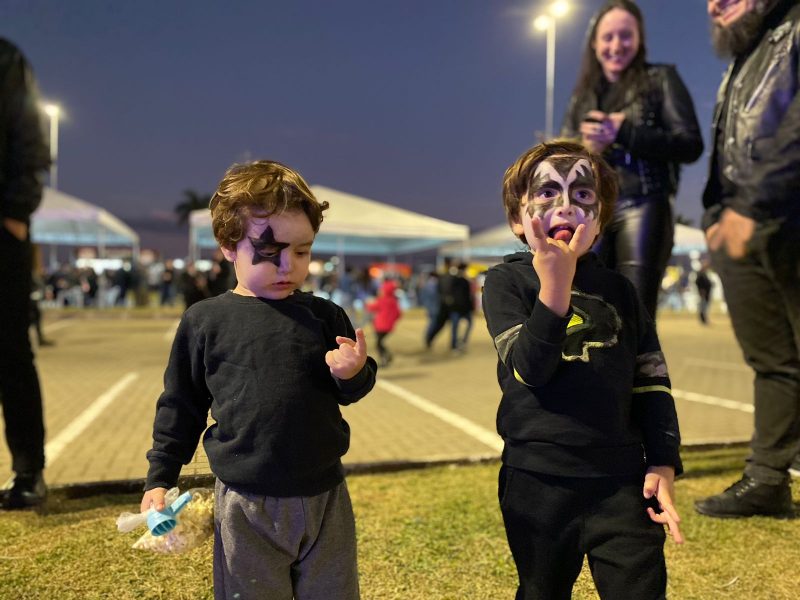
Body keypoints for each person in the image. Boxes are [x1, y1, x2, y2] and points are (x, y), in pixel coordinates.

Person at [141, 160, 377, 599]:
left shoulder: (324, 315)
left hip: (326, 494)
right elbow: (181, 404)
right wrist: (160, 478)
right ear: (229, 245)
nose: (289, 265)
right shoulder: (205, 321)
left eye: (303, 251)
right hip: (245, 501)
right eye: (270, 251)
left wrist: (353, 373)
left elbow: (354, 390)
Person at [482, 140, 683, 599]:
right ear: (518, 218)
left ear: (600, 221)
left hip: (621, 479)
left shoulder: (621, 290)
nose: (566, 206)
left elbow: (651, 380)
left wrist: (664, 461)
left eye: (584, 196)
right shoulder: (505, 282)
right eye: (547, 192)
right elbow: (530, 369)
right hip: (538, 478)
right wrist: (555, 284)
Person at [694, 0, 800, 519]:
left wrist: (753, 205)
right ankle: (767, 480)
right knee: (772, 362)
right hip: (739, 225)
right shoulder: (743, 58)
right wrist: (716, 214)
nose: (715, 2)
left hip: (784, 215)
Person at [561, 0, 704, 321]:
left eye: (626, 35)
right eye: (608, 37)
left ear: (639, 39)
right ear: (595, 43)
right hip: (592, 212)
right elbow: (560, 163)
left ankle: (641, 371)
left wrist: (624, 132)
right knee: (589, 310)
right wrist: (586, 147)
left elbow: (690, 144)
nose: (616, 45)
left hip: (644, 203)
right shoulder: (581, 97)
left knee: (635, 314)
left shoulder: (661, 78)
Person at [0, 38, 51, 510]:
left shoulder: (7, 59)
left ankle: (28, 472)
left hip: (2, 230)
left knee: (10, 352)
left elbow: (30, 141)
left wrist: (14, 214)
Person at [366, 279, 402, 367]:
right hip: (388, 326)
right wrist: (392, 320)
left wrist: (367, 303)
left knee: (378, 344)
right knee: (380, 342)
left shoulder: (383, 299)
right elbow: (398, 313)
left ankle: (384, 359)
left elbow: (371, 308)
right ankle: (387, 356)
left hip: (380, 325)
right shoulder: (393, 300)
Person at [449, 263, 473, 352]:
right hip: (463, 307)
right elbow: (467, 296)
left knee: (455, 326)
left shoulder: (453, 280)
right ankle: (461, 342)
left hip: (456, 307)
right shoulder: (464, 281)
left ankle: (455, 344)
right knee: (467, 324)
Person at [694, 260, 713, 325]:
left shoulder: (704, 273)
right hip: (703, 293)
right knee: (703, 307)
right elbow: (698, 282)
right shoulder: (700, 274)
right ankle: (703, 320)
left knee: (705, 307)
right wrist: (701, 290)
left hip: (706, 293)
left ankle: (704, 319)